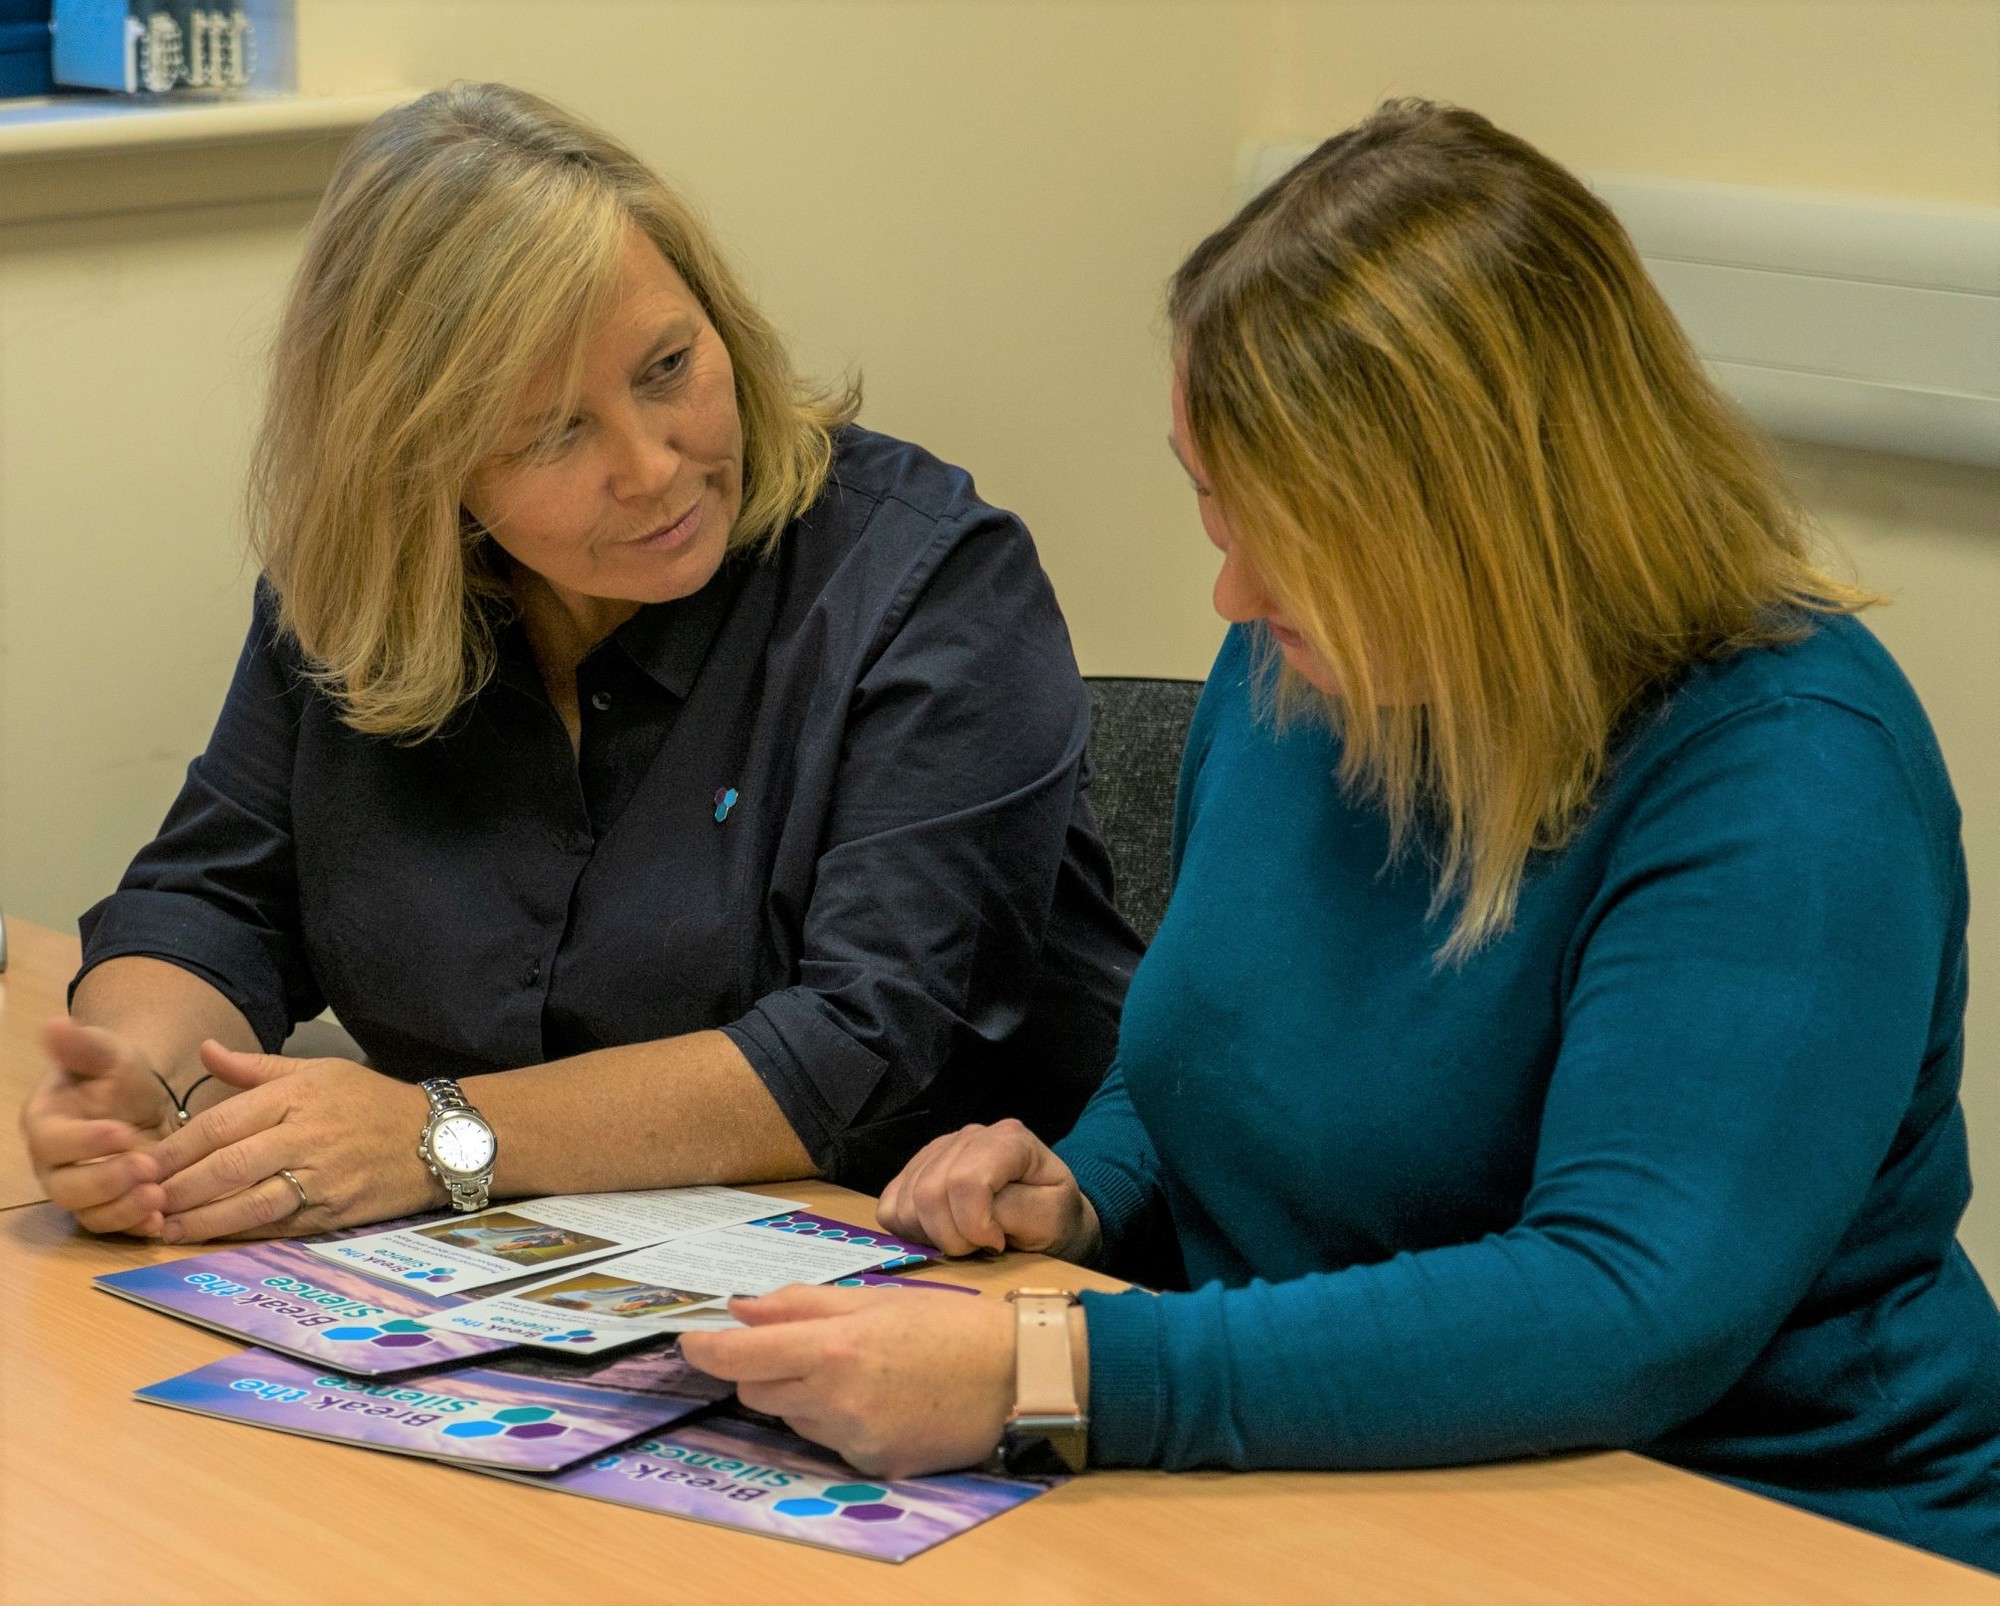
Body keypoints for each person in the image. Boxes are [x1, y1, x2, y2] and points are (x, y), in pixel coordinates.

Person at [678, 100, 2000, 1572]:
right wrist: (1089, 1189)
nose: (1234, 595)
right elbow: (1211, 1064)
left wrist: (1048, 1377)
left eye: (1295, 533)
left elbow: (1622, 1306)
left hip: (1756, 1525)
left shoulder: (1788, 769)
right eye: (1212, 505)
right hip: (1352, 1486)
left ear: (1487, 521)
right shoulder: (1303, 661)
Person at [19, 83, 1137, 1244]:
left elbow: (861, 1044)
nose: (651, 467)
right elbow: (212, 899)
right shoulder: (368, 593)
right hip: (518, 1270)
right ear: (419, 466)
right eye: (555, 431)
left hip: (937, 1277)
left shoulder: (928, 582)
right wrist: (134, 1092)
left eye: (666, 366)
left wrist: (439, 1138)